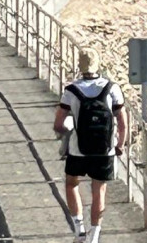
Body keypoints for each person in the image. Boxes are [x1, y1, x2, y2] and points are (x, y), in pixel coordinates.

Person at [53, 49, 126, 243]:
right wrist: (120, 144)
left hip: (78, 149)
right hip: (105, 149)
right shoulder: (112, 88)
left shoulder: (71, 90)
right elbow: (122, 120)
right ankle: (94, 236)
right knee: (98, 191)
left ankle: (79, 229)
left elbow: (58, 124)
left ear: (80, 66)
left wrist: (65, 136)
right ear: (98, 66)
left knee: (71, 183)